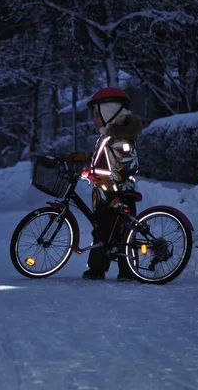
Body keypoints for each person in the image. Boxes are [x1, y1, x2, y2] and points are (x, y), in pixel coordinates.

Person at [77, 87, 143, 281]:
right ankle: (97, 268)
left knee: (124, 234)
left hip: (119, 195)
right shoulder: (105, 138)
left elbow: (128, 164)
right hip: (104, 194)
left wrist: (109, 178)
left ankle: (128, 270)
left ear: (109, 114)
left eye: (97, 115)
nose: (94, 119)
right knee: (100, 231)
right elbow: (104, 160)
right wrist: (86, 159)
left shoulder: (121, 140)